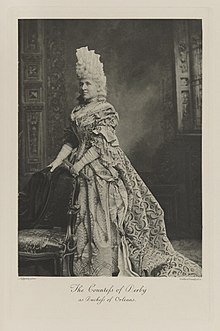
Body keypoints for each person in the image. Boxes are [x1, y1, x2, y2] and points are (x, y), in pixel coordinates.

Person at [20, 46, 202, 277]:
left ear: (98, 86)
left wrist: (78, 165)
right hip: (83, 173)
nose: (84, 87)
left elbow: (101, 146)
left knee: (103, 219)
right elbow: (71, 140)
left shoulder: (105, 110)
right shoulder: (77, 111)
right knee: (84, 219)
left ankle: (107, 266)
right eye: (82, 84)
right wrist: (57, 162)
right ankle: (86, 266)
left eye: (88, 84)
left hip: (101, 170)